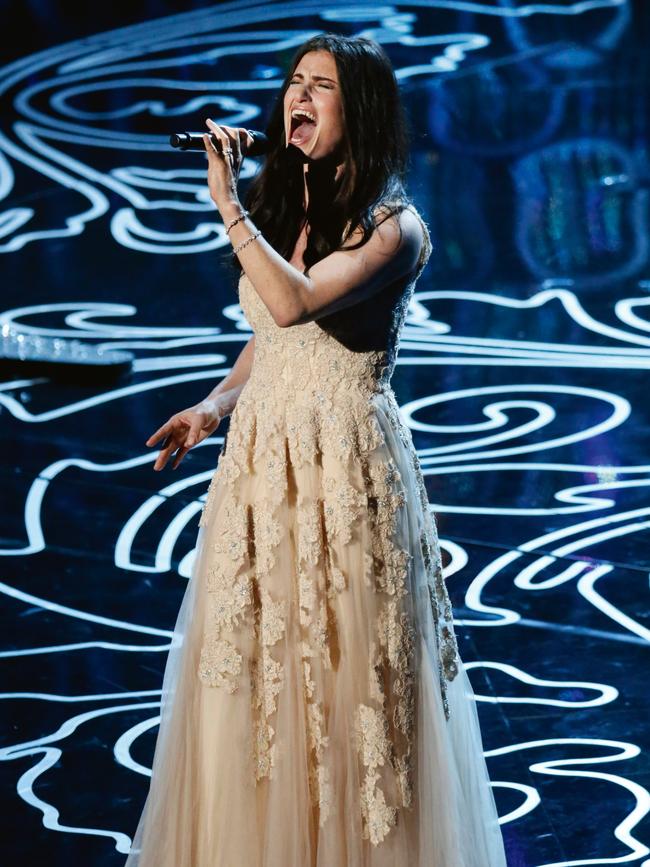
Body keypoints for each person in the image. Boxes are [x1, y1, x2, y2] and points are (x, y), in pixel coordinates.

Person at [127, 33, 508, 867]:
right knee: (257, 690)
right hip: (265, 474)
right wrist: (215, 404)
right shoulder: (290, 210)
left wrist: (224, 201)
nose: (298, 98)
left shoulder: (395, 230)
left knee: (344, 693)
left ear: (358, 109)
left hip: (344, 477)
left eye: (321, 87)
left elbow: (296, 304)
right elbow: (270, 335)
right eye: (294, 82)